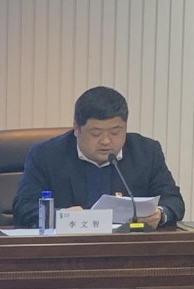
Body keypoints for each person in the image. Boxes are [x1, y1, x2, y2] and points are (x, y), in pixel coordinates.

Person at [10, 85, 184, 228]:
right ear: (76, 129)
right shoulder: (46, 155)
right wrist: (61, 216)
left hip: (128, 250)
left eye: (115, 132)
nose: (106, 141)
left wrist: (160, 214)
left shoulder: (146, 152)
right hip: (67, 250)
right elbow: (23, 207)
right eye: (96, 133)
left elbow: (173, 200)